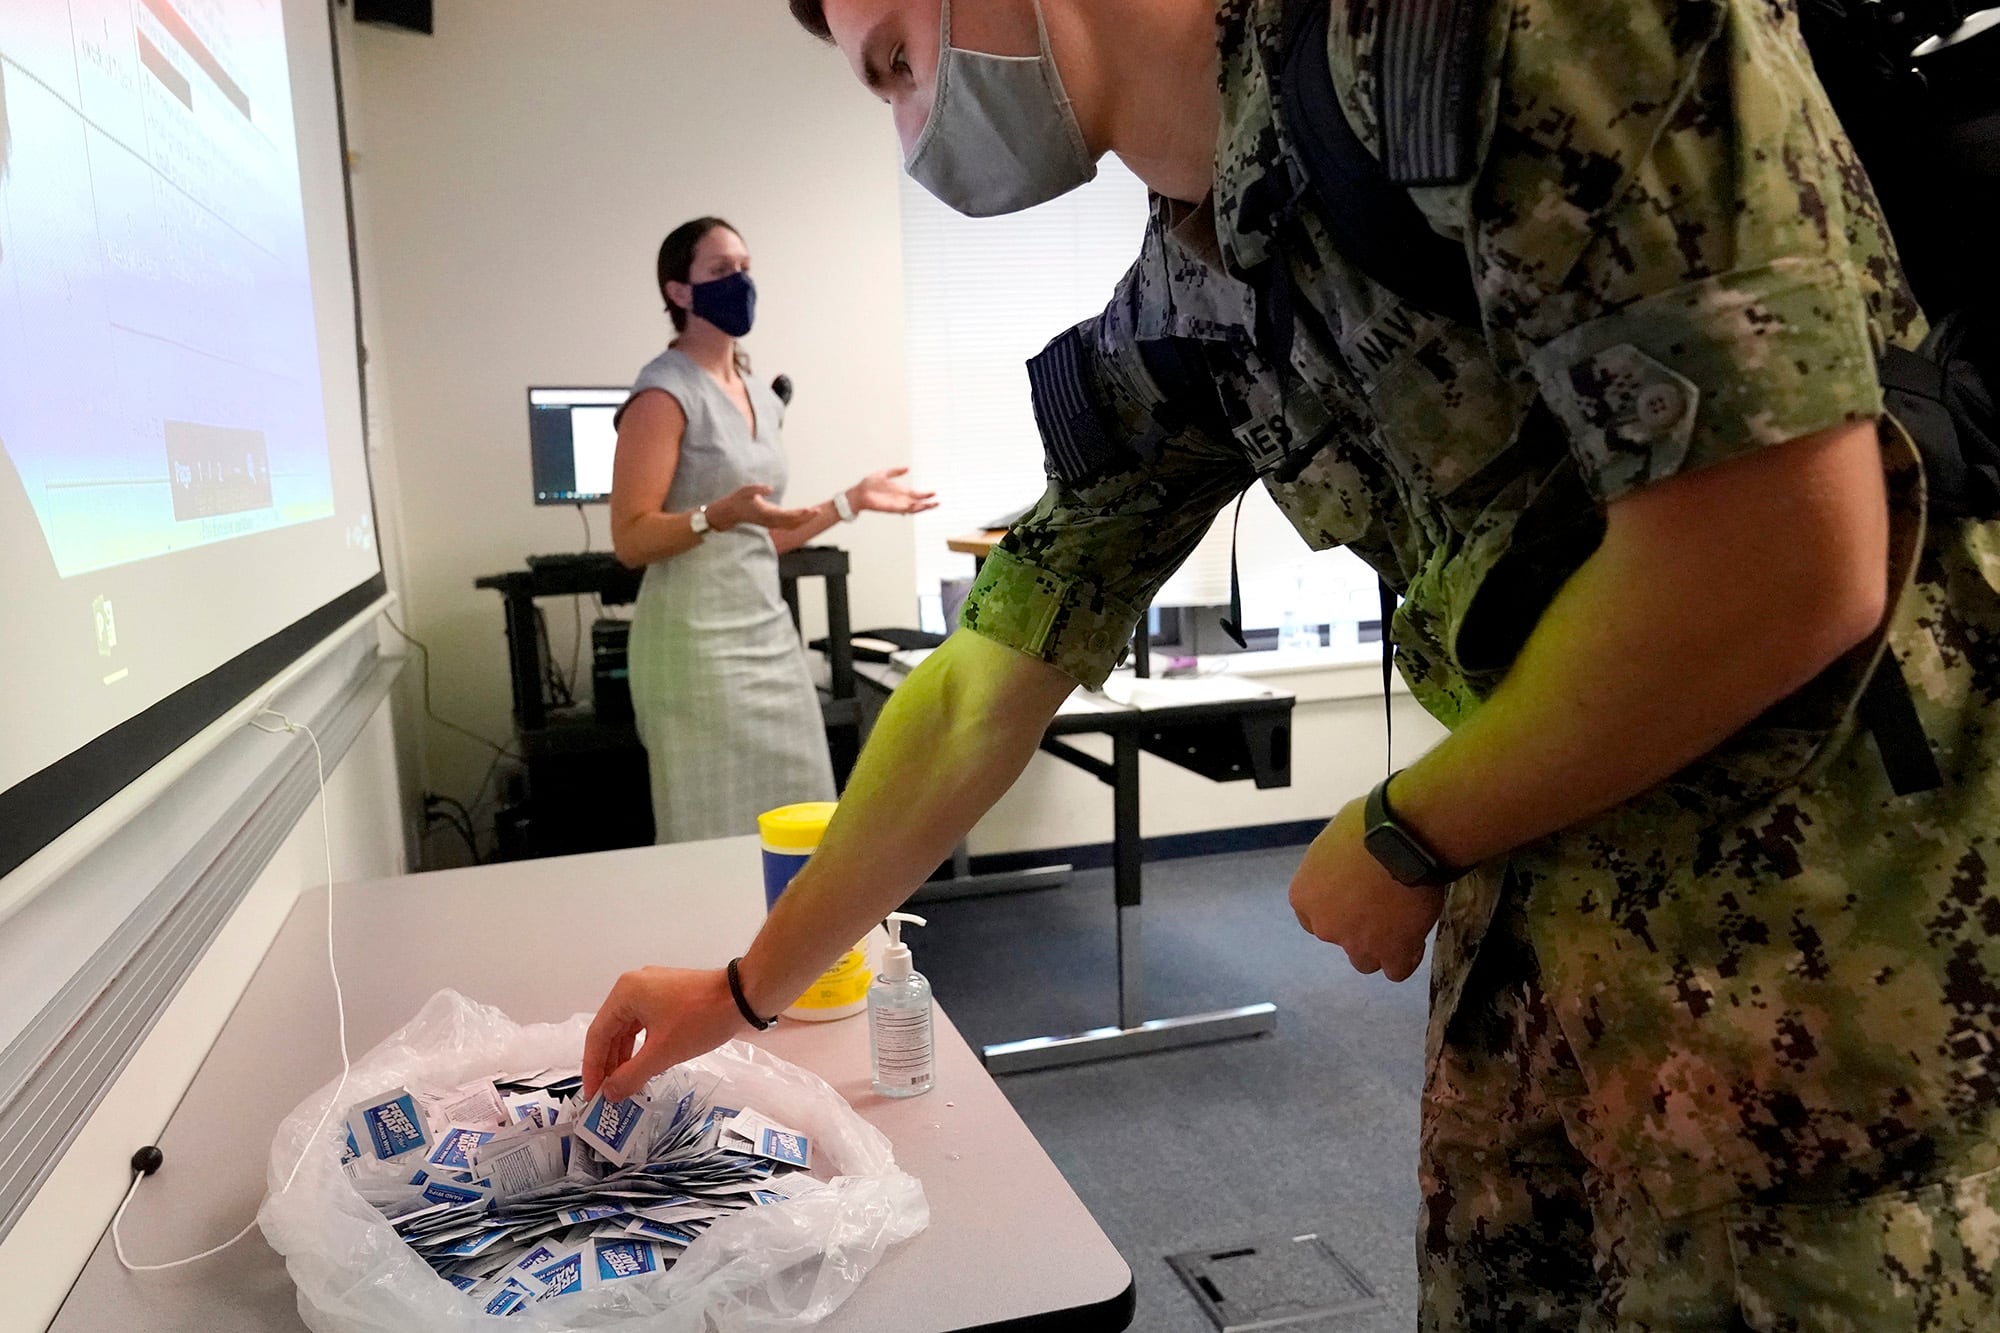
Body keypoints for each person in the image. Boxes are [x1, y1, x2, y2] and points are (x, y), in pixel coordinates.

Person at [586, 3, 2000, 1325]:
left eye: (898, 62)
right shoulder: (1203, 278)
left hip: (1841, 948)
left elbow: (1783, 556)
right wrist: (746, 985)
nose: (912, 128)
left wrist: (1407, 829)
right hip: (1549, 927)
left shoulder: (1490, 31)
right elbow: (982, 679)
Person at [609, 217, 936, 844]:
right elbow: (631, 539)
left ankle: (800, 947)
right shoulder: (663, 394)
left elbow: (762, 534)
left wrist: (851, 501)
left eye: (745, 266)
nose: (741, 280)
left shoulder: (758, 392)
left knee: (807, 821)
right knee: (714, 829)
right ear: (679, 292)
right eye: (720, 270)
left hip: (767, 637)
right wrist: (713, 515)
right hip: (695, 647)